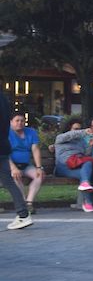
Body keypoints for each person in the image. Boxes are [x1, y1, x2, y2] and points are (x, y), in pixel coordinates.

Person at [0, 94, 32, 229]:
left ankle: (23, 214)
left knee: (8, 181)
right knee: (8, 181)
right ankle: (23, 214)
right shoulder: (3, 98)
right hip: (3, 143)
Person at [54, 119, 93, 213]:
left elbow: (86, 155)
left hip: (77, 165)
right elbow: (70, 135)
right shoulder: (61, 138)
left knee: (87, 168)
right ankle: (88, 202)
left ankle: (85, 186)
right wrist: (83, 132)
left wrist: (90, 146)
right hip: (63, 167)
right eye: (75, 129)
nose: (78, 131)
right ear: (69, 129)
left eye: (79, 129)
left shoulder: (81, 141)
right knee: (86, 172)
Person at [8, 112, 44, 214]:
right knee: (16, 176)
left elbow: (35, 149)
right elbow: (4, 154)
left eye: (22, 121)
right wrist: (13, 168)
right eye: (17, 121)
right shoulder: (5, 133)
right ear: (11, 122)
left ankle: (29, 203)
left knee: (39, 176)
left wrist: (38, 167)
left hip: (26, 165)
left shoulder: (31, 132)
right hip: (11, 165)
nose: (20, 123)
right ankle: (23, 203)